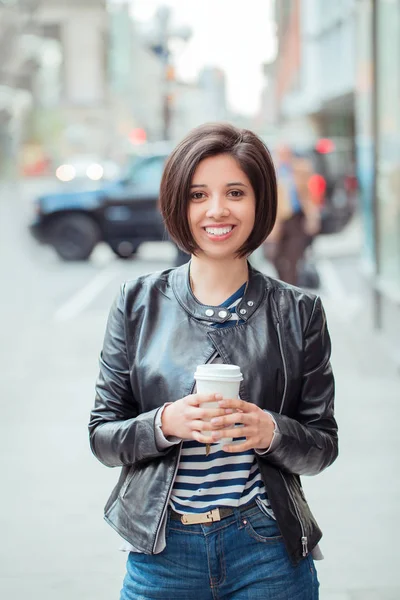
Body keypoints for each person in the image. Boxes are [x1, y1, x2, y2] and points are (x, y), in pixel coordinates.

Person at [89, 123, 338, 599]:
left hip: (267, 550)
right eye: (198, 194)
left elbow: (323, 444)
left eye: (235, 192)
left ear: (260, 201)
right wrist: (165, 422)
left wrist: (272, 432)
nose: (217, 210)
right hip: (162, 553)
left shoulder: (299, 312)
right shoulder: (137, 302)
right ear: (178, 204)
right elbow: (102, 437)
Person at [269, 144, 321, 285]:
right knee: (274, 256)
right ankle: (283, 284)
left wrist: (313, 217)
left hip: (296, 218)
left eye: (286, 153)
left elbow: (310, 194)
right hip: (278, 220)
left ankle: (289, 290)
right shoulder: (272, 171)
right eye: (281, 153)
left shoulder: (300, 168)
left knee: (293, 258)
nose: (284, 156)